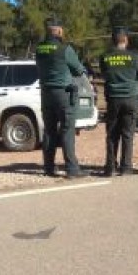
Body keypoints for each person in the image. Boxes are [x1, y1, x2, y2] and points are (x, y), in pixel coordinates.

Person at [35, 16, 88, 179]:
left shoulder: (39, 48)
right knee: (67, 130)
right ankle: (72, 169)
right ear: (58, 30)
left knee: (49, 131)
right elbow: (79, 70)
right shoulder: (66, 49)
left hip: (46, 93)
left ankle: (49, 168)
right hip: (63, 94)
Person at [100, 26, 138, 176]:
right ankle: (126, 167)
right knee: (127, 134)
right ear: (126, 39)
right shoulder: (134, 56)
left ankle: (110, 167)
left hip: (113, 99)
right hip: (130, 98)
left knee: (112, 134)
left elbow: (104, 74)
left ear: (113, 40)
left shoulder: (105, 56)